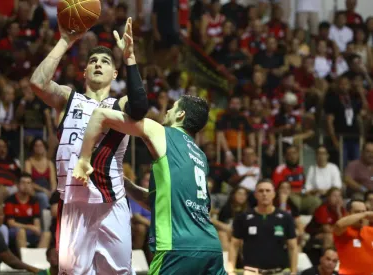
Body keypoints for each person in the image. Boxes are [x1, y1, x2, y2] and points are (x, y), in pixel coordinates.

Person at [30, 17, 148, 274]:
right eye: (93, 61)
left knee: (117, 272)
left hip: (110, 201)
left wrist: (129, 58)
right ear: (84, 72)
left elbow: (140, 108)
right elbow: (37, 83)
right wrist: (64, 41)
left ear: (114, 74)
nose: (97, 64)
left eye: (105, 61)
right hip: (73, 201)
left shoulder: (121, 104)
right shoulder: (68, 98)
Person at [73, 95, 225, 274]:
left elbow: (99, 114)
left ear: (180, 114)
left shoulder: (162, 132)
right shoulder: (200, 156)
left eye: (172, 107)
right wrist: (125, 183)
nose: (167, 111)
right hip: (211, 247)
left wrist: (84, 159)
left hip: (178, 247)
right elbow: (161, 202)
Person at [227, 180, 298, 275]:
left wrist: (294, 272)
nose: (264, 194)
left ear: (274, 194)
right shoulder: (243, 217)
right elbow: (234, 245)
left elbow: (292, 247)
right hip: (251, 272)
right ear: (255, 194)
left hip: (278, 272)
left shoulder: (286, 218)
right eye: (261, 191)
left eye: (268, 191)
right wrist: (230, 270)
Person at [333, 199, 373, 275]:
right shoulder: (344, 230)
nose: (361, 216)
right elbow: (339, 224)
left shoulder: (370, 231)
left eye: (363, 211)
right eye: (357, 212)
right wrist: (365, 214)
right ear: (348, 214)